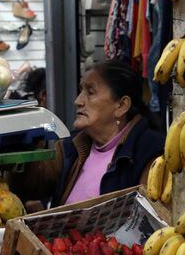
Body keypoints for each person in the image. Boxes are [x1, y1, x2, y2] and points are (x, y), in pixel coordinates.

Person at [12, 60, 164, 210]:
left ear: (121, 106)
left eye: (90, 92)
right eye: (81, 91)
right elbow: (33, 187)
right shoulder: (72, 145)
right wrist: (23, 144)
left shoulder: (150, 153)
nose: (78, 101)